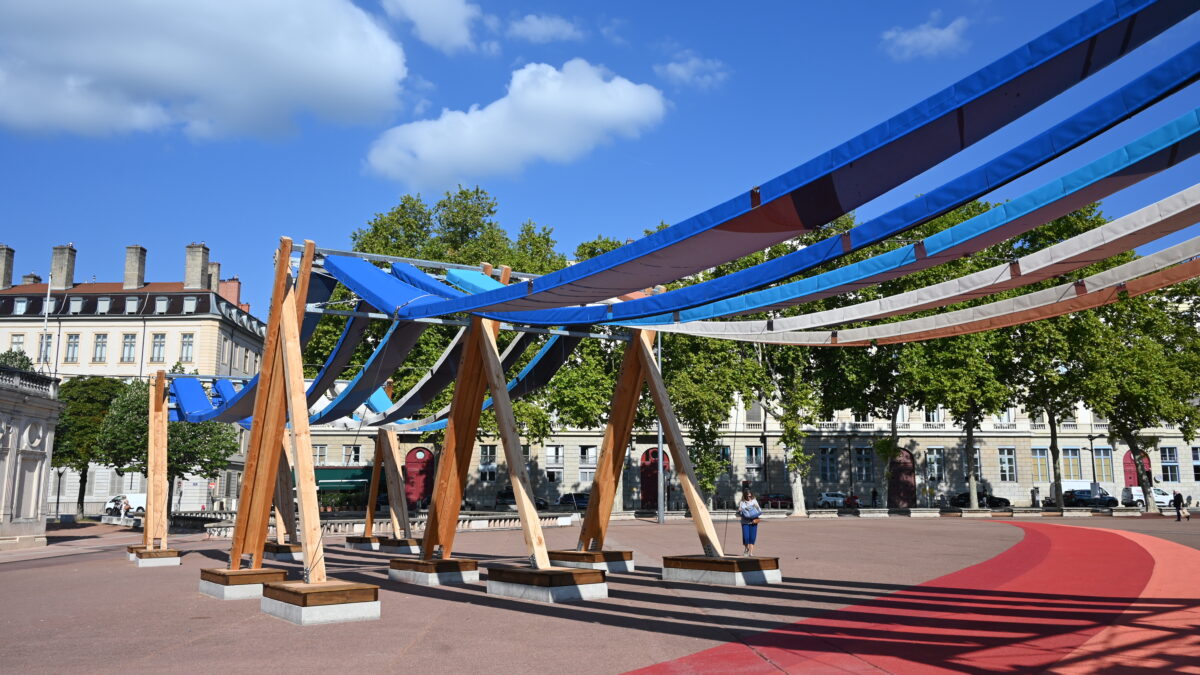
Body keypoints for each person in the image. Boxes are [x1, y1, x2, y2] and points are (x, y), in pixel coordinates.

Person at [737, 489, 762, 557]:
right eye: (748, 496)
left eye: (750, 496)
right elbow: (739, 513)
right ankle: (746, 548)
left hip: (753, 522)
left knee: (752, 538)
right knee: (746, 537)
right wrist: (739, 511)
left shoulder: (754, 501)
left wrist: (756, 507)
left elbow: (759, 510)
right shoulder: (742, 502)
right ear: (745, 496)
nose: (749, 497)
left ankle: (750, 553)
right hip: (745, 522)